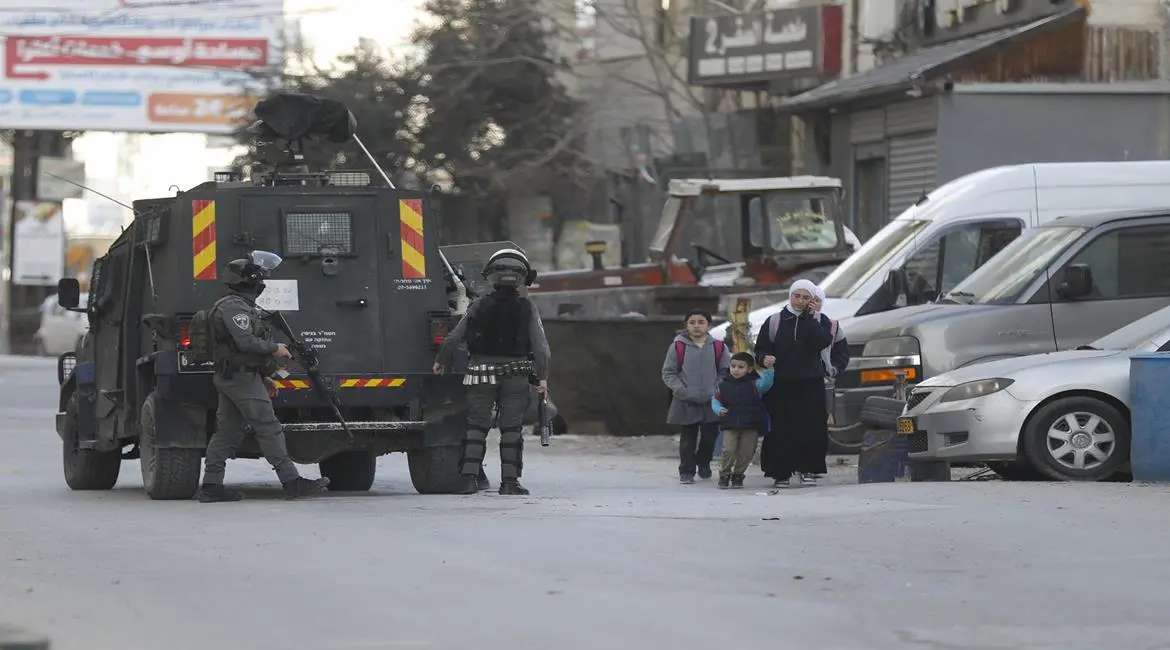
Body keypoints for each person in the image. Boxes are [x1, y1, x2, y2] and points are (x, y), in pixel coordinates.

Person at [197, 251, 331, 503]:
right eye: (260, 279)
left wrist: (266, 377)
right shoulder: (233, 307)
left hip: (238, 377)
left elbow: (238, 349)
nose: (262, 284)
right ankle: (292, 482)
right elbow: (245, 342)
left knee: (227, 432)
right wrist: (275, 348)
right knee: (268, 427)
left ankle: (211, 485)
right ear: (250, 281)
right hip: (240, 379)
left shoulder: (238, 305)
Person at [433, 248, 551, 496]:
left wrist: (441, 361)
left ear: (491, 275)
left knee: (476, 426)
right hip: (516, 375)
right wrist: (542, 378)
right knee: (511, 429)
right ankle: (509, 483)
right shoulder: (527, 308)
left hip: (480, 372)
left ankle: (468, 480)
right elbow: (542, 349)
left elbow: (454, 337)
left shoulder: (478, 305)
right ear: (523, 278)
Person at [754, 279, 835, 488]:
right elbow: (761, 349)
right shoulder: (774, 321)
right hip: (781, 384)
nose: (800, 301)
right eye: (796, 296)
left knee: (810, 429)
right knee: (781, 429)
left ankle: (807, 469)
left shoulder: (819, 320)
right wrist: (764, 359)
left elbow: (822, 342)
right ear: (790, 296)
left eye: (805, 297)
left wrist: (809, 318)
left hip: (810, 383)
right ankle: (781, 472)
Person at [662, 309, 731, 484]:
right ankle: (686, 470)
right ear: (686, 325)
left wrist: (716, 389)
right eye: (692, 322)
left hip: (711, 400)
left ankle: (704, 462)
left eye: (701, 322)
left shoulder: (718, 347)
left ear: (709, 325)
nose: (697, 326)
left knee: (709, 437)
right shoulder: (678, 346)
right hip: (686, 400)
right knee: (687, 439)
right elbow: (669, 372)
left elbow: (725, 372)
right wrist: (682, 390)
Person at [711, 352, 774, 489]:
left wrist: (769, 369)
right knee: (728, 450)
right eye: (733, 366)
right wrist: (719, 410)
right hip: (730, 423)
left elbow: (766, 384)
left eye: (741, 367)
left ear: (749, 369)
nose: (736, 370)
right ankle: (725, 474)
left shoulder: (754, 384)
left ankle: (738, 474)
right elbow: (715, 400)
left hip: (750, 424)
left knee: (747, 452)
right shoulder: (723, 385)